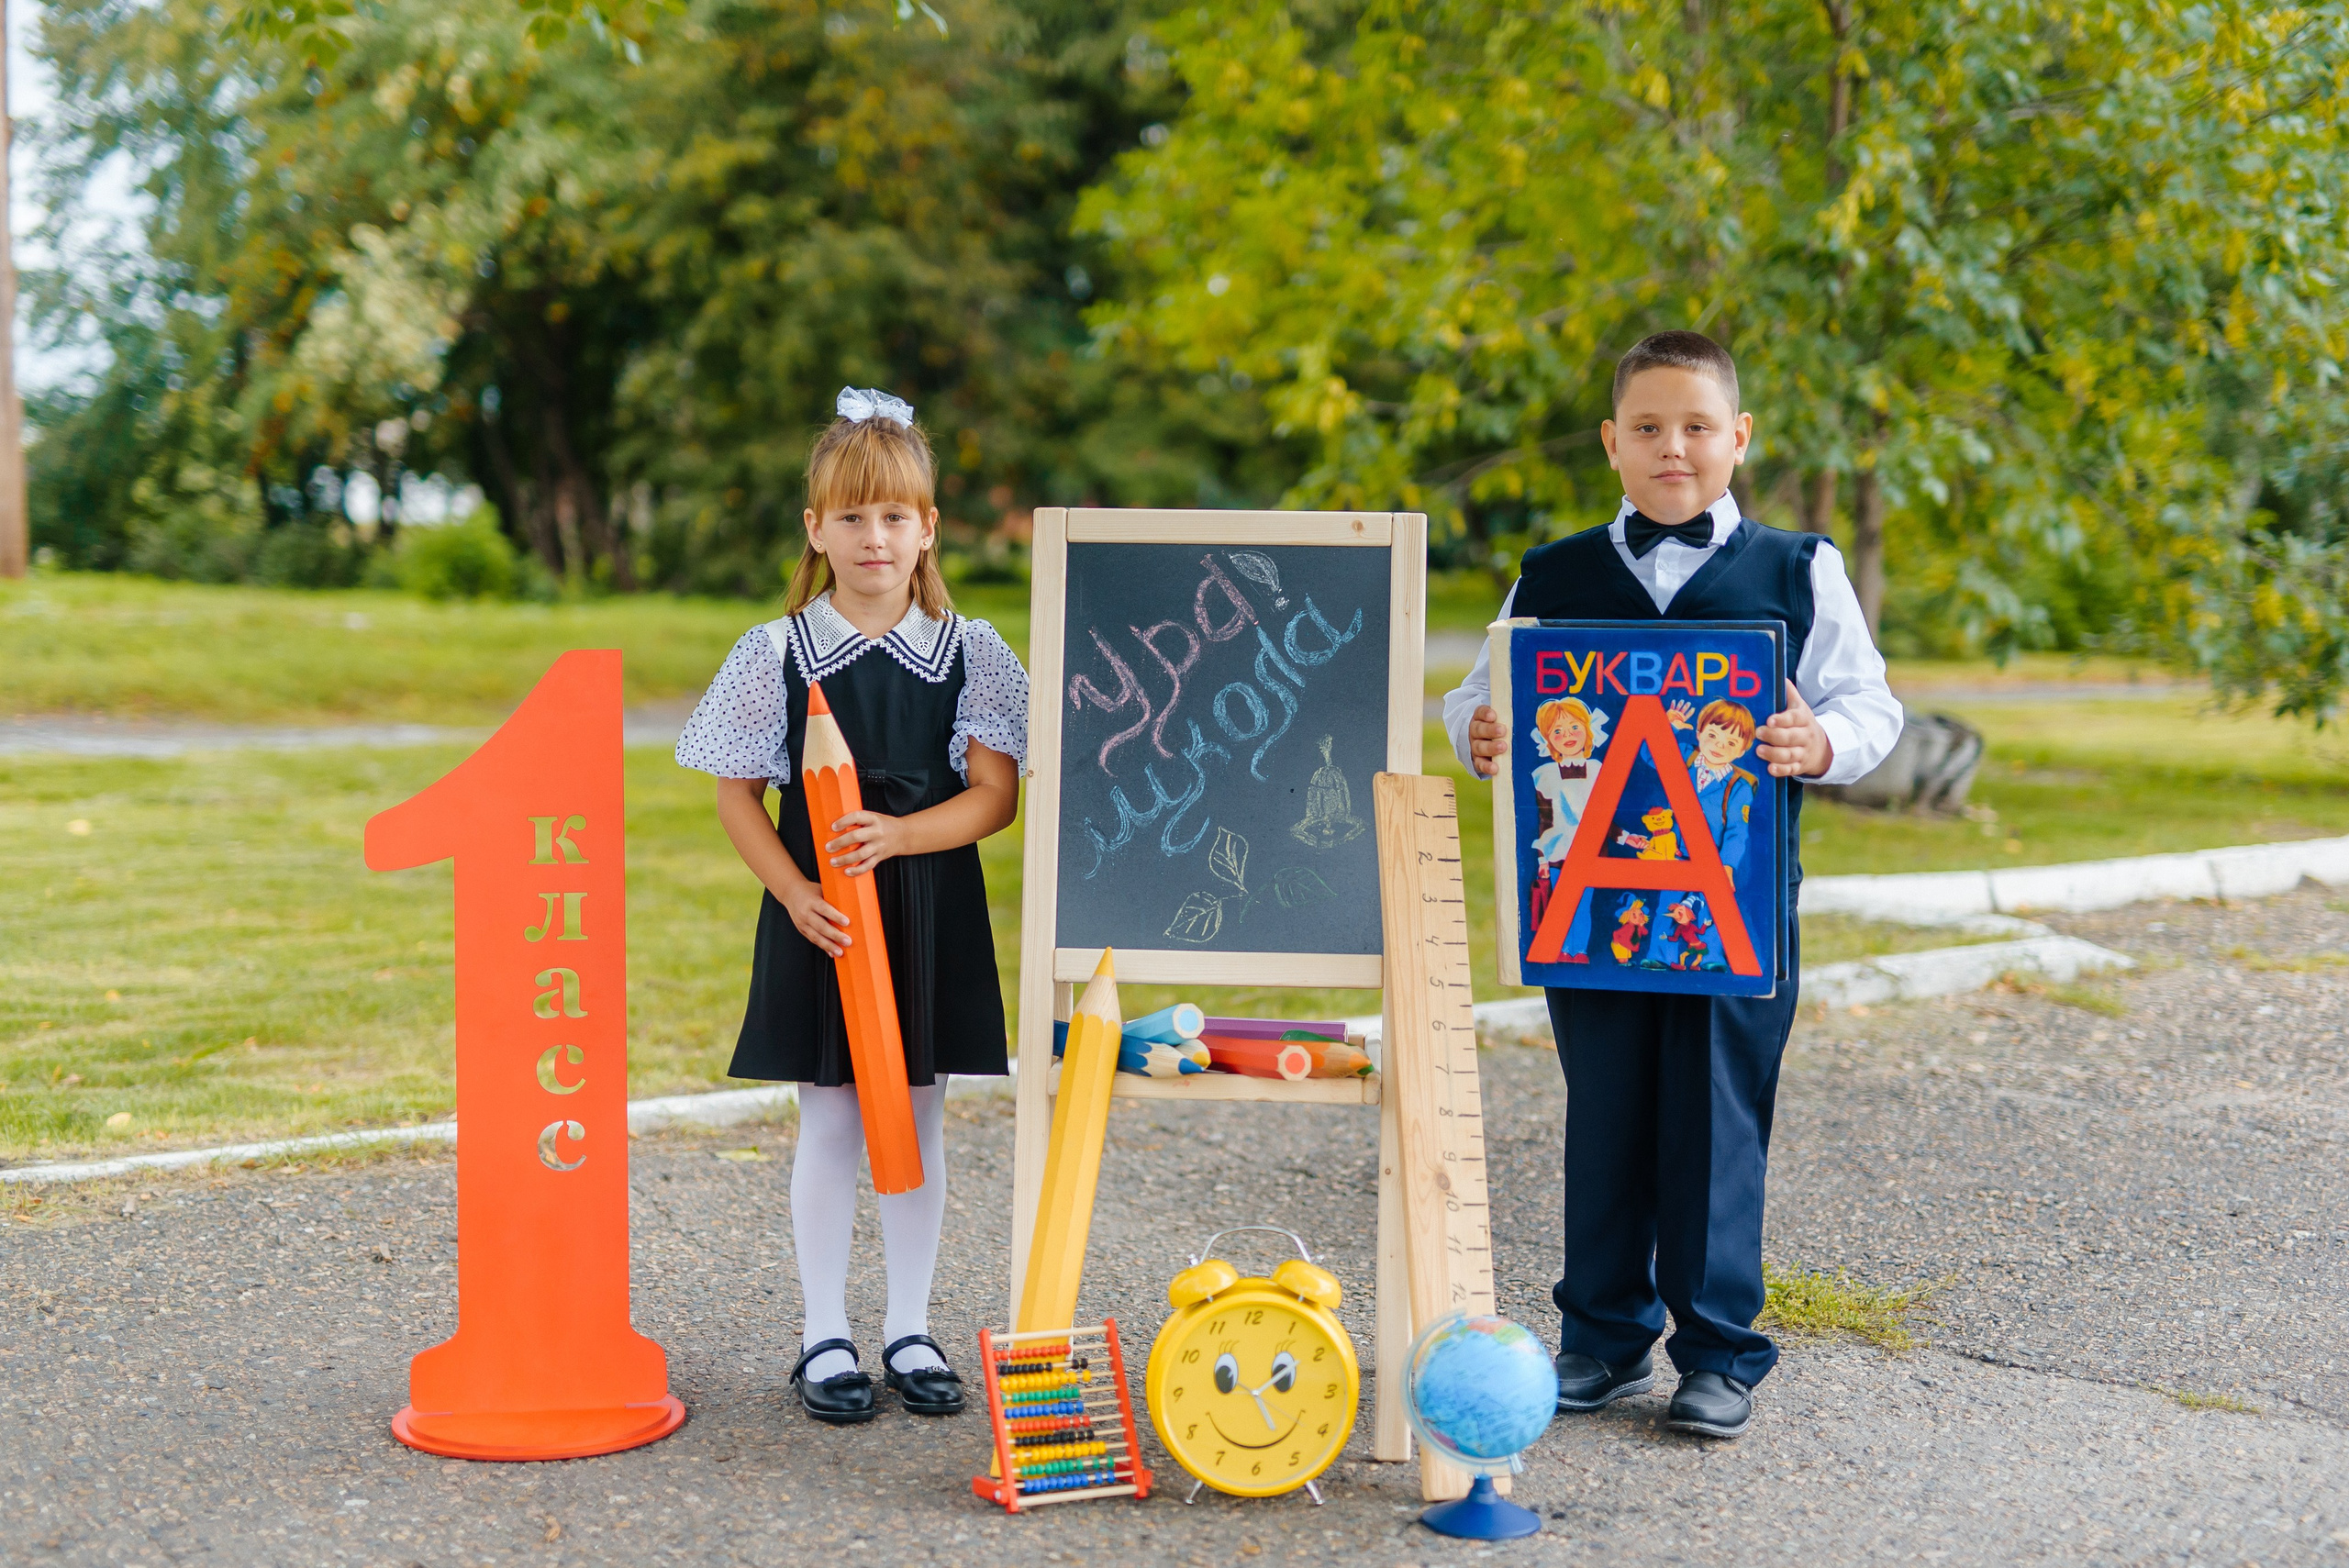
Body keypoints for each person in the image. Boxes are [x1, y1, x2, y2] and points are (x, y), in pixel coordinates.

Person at [1441, 330, 1902, 1440]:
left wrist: (1820, 742)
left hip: (1728, 907)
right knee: (1604, 1112)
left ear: (1737, 437)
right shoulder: (1551, 572)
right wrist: (1480, 729)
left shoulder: (1799, 568)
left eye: (1696, 426)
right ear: (1612, 441)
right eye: (1647, 427)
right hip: (1589, 904)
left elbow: (1870, 704)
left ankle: (1717, 1351)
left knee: (1714, 1122)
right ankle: (1600, 1336)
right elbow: (1473, 695)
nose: (1672, 448)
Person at [674, 387, 1030, 1425]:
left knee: (917, 1115)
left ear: (928, 527)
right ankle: (823, 1332)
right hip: (821, 920)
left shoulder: (970, 649)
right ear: (815, 528)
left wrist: (901, 835)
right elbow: (737, 794)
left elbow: (995, 794)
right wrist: (794, 893)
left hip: (926, 909)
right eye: (852, 516)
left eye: (894, 515)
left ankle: (909, 1325)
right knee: (830, 1117)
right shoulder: (775, 650)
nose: (874, 536)